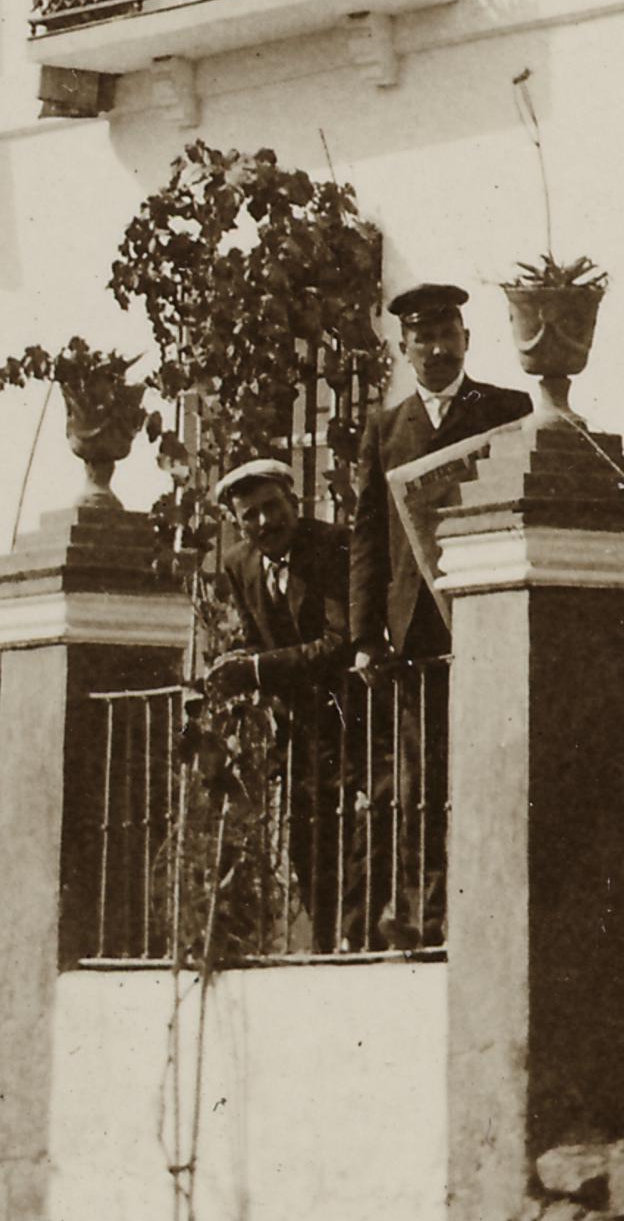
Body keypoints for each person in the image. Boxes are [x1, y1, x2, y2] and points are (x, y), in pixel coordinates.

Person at [344, 282, 526, 943]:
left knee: (491, 762)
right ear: (404, 348)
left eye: (450, 336)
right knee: (421, 778)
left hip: (487, 614)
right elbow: (368, 535)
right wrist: (366, 635)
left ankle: (487, 912)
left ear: (467, 341)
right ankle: (425, 916)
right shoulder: (386, 428)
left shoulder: (505, 409)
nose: (440, 349)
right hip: (415, 629)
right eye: (425, 339)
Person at [197, 450, 356, 949]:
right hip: (297, 734)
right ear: (237, 524)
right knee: (308, 846)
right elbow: (251, 637)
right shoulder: (238, 564)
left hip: (351, 722)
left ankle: (357, 943)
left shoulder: (331, 545)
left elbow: (338, 642)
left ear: (294, 501)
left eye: (274, 507)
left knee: (354, 844)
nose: (266, 522)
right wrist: (233, 664)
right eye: (251, 516)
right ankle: (328, 948)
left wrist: (259, 670)